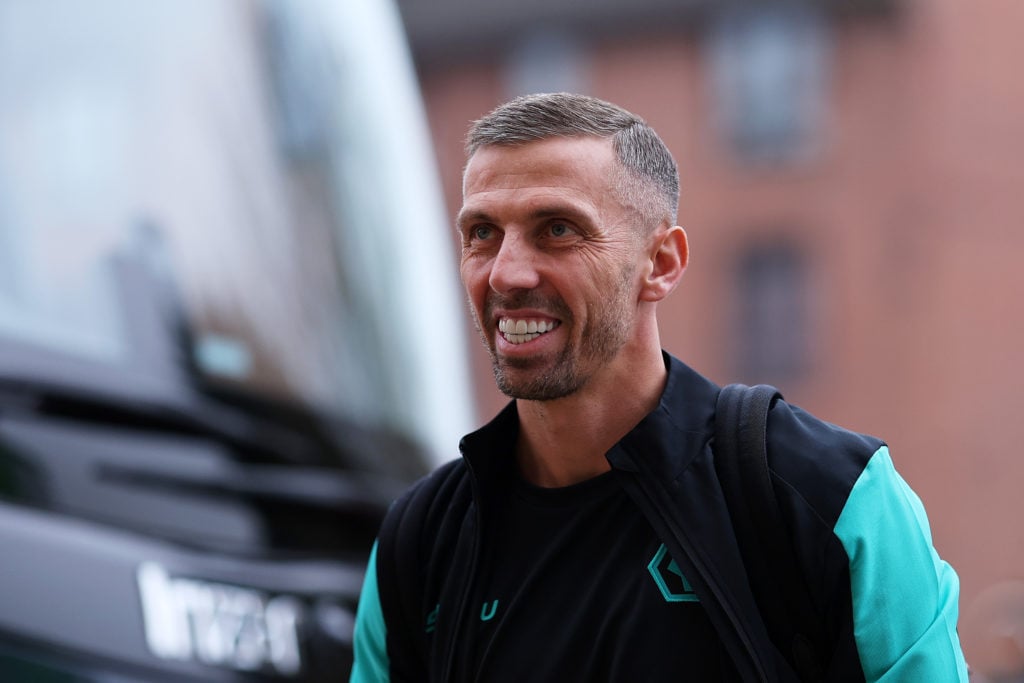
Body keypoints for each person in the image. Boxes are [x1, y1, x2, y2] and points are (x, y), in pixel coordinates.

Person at [349, 92, 968, 681]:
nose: (507, 272)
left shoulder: (829, 495)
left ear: (662, 263)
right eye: (482, 233)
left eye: (558, 229)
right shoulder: (421, 539)